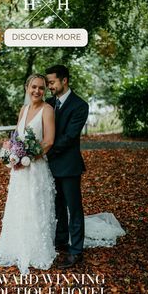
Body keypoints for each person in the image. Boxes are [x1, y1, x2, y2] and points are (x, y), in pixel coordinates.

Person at [0, 74, 57, 275]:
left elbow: (48, 141)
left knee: (35, 206)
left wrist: (26, 156)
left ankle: (37, 249)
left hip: (36, 169)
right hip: (19, 171)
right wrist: (10, 151)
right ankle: (17, 245)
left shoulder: (47, 110)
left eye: (41, 88)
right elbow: (17, 137)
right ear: (26, 88)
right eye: (34, 87)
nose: (37, 91)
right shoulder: (23, 109)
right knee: (20, 206)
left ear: (45, 90)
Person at [45, 64, 89, 268]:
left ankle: (76, 250)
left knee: (74, 207)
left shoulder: (80, 105)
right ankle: (61, 240)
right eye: (48, 83)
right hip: (49, 166)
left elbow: (70, 136)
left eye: (52, 82)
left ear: (64, 81)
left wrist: (44, 151)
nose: (49, 86)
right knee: (58, 206)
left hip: (69, 165)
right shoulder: (48, 103)